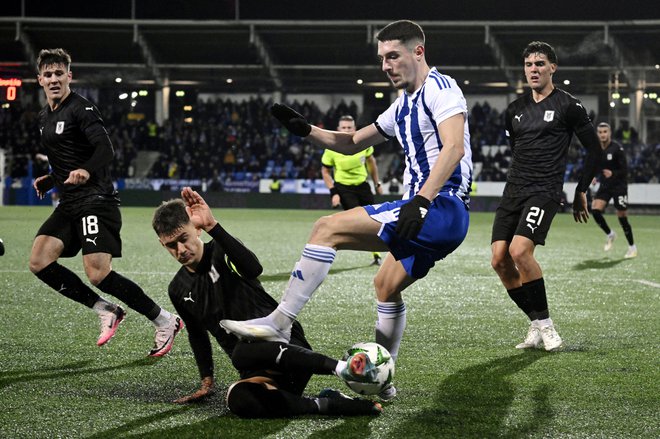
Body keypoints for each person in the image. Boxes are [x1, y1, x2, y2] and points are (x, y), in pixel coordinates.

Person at [221, 20, 473, 401]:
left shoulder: (441, 89)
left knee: (327, 228)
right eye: (381, 59)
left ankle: (279, 322)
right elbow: (353, 142)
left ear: (418, 51)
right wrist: (308, 131)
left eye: (393, 56)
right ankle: (382, 381)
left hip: (440, 206)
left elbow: (453, 148)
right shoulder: (402, 106)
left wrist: (420, 201)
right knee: (385, 287)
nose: (386, 66)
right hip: (432, 211)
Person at [152, 187, 382, 418]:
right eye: (172, 245)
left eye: (184, 239)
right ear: (163, 245)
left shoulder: (221, 249)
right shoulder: (177, 289)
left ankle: (340, 368)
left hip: (288, 345)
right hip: (255, 368)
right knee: (237, 398)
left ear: (197, 230)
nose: (180, 250)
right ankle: (326, 404)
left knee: (240, 352)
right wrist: (206, 380)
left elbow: (254, 269)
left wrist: (214, 226)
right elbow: (197, 334)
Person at [29, 48, 183, 356]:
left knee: (98, 273)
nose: (54, 79)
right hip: (70, 202)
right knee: (39, 260)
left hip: (96, 200)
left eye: (60, 73)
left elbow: (105, 149)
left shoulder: (81, 109)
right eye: (48, 74)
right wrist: (52, 178)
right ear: (40, 80)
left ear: (69, 76)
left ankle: (165, 320)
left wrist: (87, 169)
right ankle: (106, 309)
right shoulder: (45, 116)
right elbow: (67, 159)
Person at [490, 41, 601, 352]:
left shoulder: (569, 105)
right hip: (514, 191)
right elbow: (517, 152)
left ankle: (548, 327)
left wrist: (581, 189)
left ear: (553, 67)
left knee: (520, 252)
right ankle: (536, 324)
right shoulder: (514, 110)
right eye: (528, 65)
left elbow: (594, 150)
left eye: (540, 64)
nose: (533, 70)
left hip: (545, 190)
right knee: (499, 260)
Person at [321, 115, 384, 265]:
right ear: (338, 129)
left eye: (349, 127)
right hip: (344, 188)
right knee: (359, 219)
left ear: (355, 129)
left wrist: (377, 183)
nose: (347, 130)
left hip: (362, 185)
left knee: (374, 218)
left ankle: (376, 255)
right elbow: (325, 171)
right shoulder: (331, 148)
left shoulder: (363, 144)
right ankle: (335, 246)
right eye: (343, 127)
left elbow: (371, 163)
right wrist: (334, 192)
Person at [591, 122, 637, 258]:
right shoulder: (596, 148)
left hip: (619, 186)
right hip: (605, 185)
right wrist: (593, 176)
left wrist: (613, 174)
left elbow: (625, 170)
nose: (603, 135)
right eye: (600, 132)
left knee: (622, 216)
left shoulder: (617, 148)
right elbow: (596, 165)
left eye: (605, 132)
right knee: (595, 210)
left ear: (609, 133)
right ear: (597, 134)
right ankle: (610, 234)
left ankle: (632, 247)